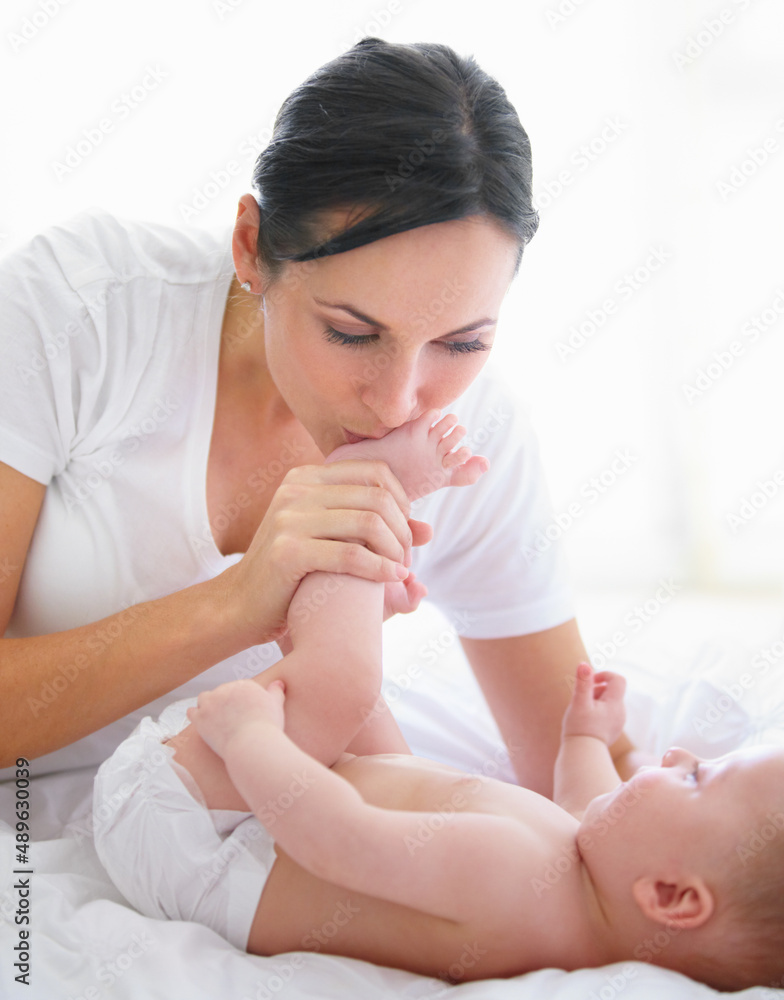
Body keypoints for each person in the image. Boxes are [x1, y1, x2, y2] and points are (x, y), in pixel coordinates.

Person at [0, 36, 645, 788]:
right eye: (351, 332)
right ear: (250, 247)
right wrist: (242, 604)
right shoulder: (86, 309)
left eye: (462, 343)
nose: (400, 400)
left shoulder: (474, 440)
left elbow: (577, 765)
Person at [93, 413, 784, 993]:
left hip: (183, 832)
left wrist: (251, 740)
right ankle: (335, 611)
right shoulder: (597, 890)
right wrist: (587, 738)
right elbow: (583, 802)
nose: (682, 754)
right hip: (254, 829)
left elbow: (339, 841)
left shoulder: (516, 881)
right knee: (385, 748)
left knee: (347, 688)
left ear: (670, 897)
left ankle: (366, 493)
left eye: (699, 778)